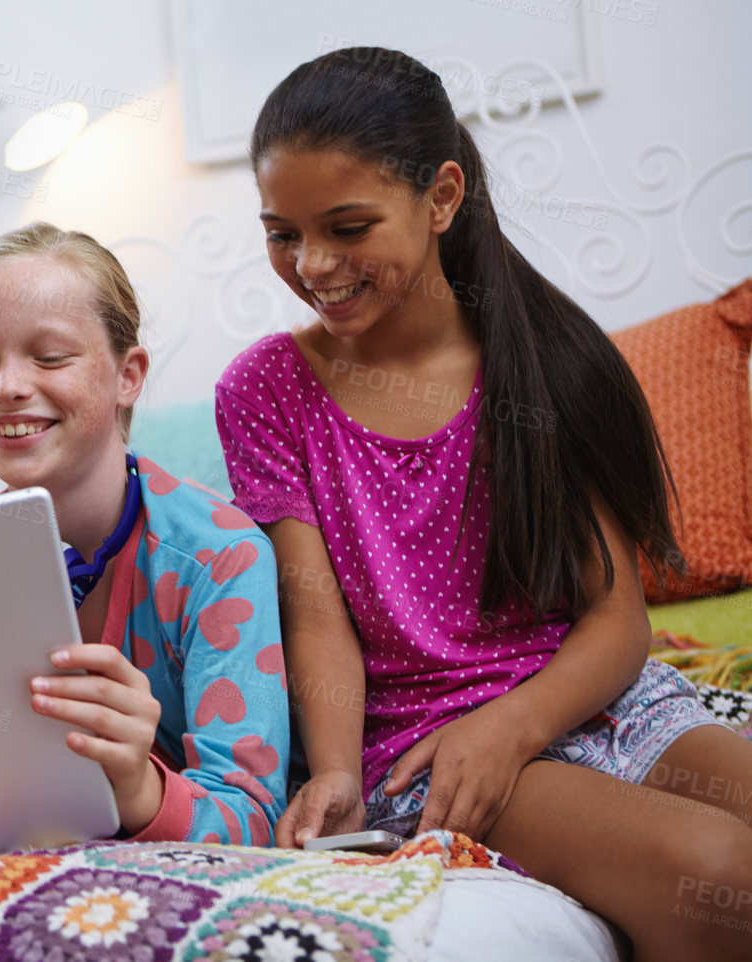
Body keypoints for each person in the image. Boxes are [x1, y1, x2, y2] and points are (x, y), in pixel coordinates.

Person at [216, 46, 752, 958]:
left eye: (348, 227)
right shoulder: (266, 390)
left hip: (593, 700)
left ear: (443, 197)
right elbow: (316, 621)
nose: (312, 263)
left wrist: (514, 725)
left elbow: (617, 623)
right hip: (425, 748)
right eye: (282, 233)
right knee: (720, 878)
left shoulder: (540, 358)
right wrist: (340, 774)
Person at [0, 223, 290, 845]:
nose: (6, 386)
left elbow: (255, 821)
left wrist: (136, 784)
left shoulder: (221, 559)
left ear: (128, 375)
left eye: (49, 356)